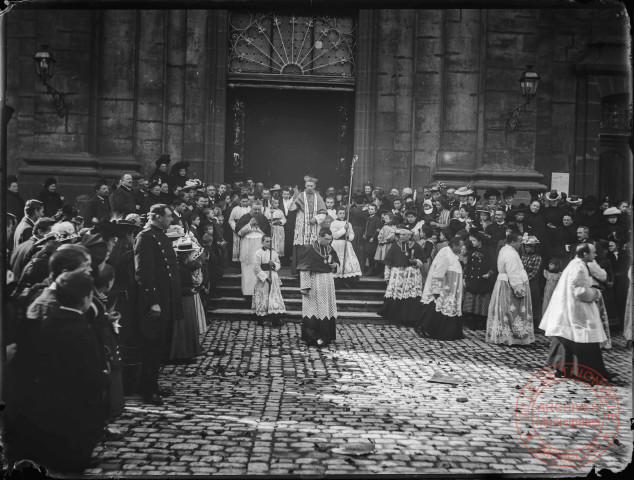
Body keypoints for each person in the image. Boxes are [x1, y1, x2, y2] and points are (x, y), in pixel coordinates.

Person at [12, 270, 106, 474]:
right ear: (86, 298)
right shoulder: (82, 330)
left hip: (50, 397)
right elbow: (91, 374)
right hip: (78, 400)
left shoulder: (46, 321)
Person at [539, 243, 613, 381]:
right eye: (593, 253)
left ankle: (562, 368)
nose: (595, 255)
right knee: (583, 336)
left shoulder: (576, 263)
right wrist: (596, 293)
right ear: (585, 254)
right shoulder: (579, 268)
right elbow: (580, 293)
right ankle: (585, 370)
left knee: (567, 337)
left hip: (568, 307)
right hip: (575, 308)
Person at [134, 204, 184, 406]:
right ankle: (148, 389)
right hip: (155, 302)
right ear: (156, 217)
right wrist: (153, 302)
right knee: (151, 347)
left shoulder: (161, 235)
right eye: (169, 216)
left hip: (167, 299)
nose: (171, 219)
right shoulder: (145, 237)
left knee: (160, 347)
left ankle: (151, 383)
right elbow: (144, 273)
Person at [486, 232, 535, 346]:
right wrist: (518, 288)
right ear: (512, 242)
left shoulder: (506, 250)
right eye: (519, 242)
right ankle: (510, 335)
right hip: (509, 284)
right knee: (511, 310)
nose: (521, 244)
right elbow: (512, 272)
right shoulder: (510, 254)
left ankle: (506, 334)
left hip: (504, 282)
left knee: (505, 310)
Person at [415, 236, 465, 340]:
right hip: (444, 289)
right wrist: (436, 289)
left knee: (442, 309)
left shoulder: (452, 254)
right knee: (436, 309)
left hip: (451, 288)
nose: (462, 248)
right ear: (454, 245)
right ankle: (424, 328)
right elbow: (438, 273)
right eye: (460, 246)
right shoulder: (446, 254)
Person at [296, 227, 340, 348]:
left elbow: (337, 263)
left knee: (325, 308)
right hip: (314, 281)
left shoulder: (330, 248)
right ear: (319, 237)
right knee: (313, 309)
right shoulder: (310, 249)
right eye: (326, 239)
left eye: (330, 239)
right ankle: (312, 337)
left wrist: (334, 265)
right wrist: (304, 286)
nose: (328, 242)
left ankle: (326, 336)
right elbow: (304, 269)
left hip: (327, 282)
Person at [378, 227, 425, 326]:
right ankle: (395, 318)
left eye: (404, 235)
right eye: (401, 235)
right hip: (397, 273)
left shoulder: (416, 246)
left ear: (409, 236)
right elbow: (388, 262)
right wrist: (387, 276)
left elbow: (422, 261)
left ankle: (409, 319)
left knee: (410, 295)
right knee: (397, 294)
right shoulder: (395, 246)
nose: (402, 236)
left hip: (411, 274)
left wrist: (416, 261)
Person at [169, 237, 204, 364]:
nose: (194, 256)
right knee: (184, 326)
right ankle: (182, 353)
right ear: (187, 254)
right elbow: (177, 286)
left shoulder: (184, 266)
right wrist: (190, 291)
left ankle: (188, 351)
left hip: (187, 297)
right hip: (183, 299)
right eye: (192, 254)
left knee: (189, 325)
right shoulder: (180, 268)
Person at [289, 175, 327, 275]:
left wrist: (316, 218)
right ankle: (299, 271)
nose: (309, 187)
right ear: (305, 186)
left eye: (311, 186)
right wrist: (294, 197)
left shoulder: (318, 197)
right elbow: (291, 209)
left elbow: (323, 212)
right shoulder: (300, 195)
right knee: (301, 248)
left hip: (313, 226)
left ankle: (312, 270)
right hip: (301, 226)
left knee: (313, 247)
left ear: (314, 186)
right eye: (307, 185)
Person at [235, 202, 271, 301]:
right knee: (247, 269)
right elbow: (239, 232)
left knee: (259, 267)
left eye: (258, 209)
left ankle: (260, 292)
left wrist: (258, 227)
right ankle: (248, 293)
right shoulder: (244, 218)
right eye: (255, 209)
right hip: (247, 246)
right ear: (251, 209)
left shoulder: (263, 219)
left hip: (259, 245)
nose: (257, 211)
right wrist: (249, 225)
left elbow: (267, 233)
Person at [461, 231, 496, 330]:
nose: (471, 242)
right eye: (470, 240)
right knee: (470, 304)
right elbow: (468, 266)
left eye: (474, 240)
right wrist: (465, 277)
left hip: (483, 281)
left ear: (480, 241)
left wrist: (489, 274)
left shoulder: (489, 251)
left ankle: (481, 324)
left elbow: (494, 265)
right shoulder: (472, 251)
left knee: (481, 304)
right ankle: (471, 323)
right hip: (472, 281)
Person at [252, 235, 286, 327]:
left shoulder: (274, 252)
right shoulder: (258, 253)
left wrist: (273, 264)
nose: (268, 243)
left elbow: (279, 265)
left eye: (270, 241)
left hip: (273, 276)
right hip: (263, 278)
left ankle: (275, 320)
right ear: (262, 242)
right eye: (266, 241)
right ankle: (260, 320)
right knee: (263, 297)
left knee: (273, 298)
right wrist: (266, 278)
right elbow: (256, 268)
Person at [330, 206, 362, 284]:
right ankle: (338, 279)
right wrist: (344, 229)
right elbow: (335, 235)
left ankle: (348, 280)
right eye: (340, 213)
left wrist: (348, 237)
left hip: (346, 244)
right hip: (337, 244)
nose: (342, 215)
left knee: (348, 261)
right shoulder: (334, 223)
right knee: (339, 260)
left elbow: (352, 234)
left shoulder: (348, 223)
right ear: (337, 214)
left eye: (343, 213)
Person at [520, 235, 543, 329]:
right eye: (525, 247)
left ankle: (534, 324)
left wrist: (524, 278)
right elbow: (520, 268)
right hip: (523, 282)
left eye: (528, 247)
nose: (526, 248)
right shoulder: (523, 257)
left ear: (533, 247)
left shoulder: (537, 258)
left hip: (532, 284)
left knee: (533, 303)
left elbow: (534, 273)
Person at [228, 194, 251, 262]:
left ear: (248, 201)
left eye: (246, 201)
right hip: (237, 229)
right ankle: (238, 264)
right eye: (243, 201)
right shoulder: (235, 209)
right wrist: (235, 228)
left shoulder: (250, 209)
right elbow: (231, 220)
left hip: (247, 229)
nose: (244, 203)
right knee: (238, 245)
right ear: (240, 201)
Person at [374, 211, 396, 276]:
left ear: (391, 219)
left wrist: (385, 240)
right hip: (383, 244)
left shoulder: (393, 228)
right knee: (382, 258)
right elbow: (380, 234)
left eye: (386, 218)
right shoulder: (384, 227)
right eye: (384, 218)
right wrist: (380, 240)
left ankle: (386, 273)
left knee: (386, 258)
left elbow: (391, 237)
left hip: (388, 244)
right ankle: (381, 272)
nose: (384, 220)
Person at [362, 204, 382, 275]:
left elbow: (378, 230)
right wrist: (365, 233)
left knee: (372, 254)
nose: (370, 211)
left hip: (373, 239)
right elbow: (366, 227)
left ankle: (372, 270)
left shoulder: (377, 219)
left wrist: (373, 237)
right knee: (367, 253)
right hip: (367, 238)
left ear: (376, 211)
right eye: (369, 209)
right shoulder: (368, 218)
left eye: (372, 209)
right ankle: (370, 269)